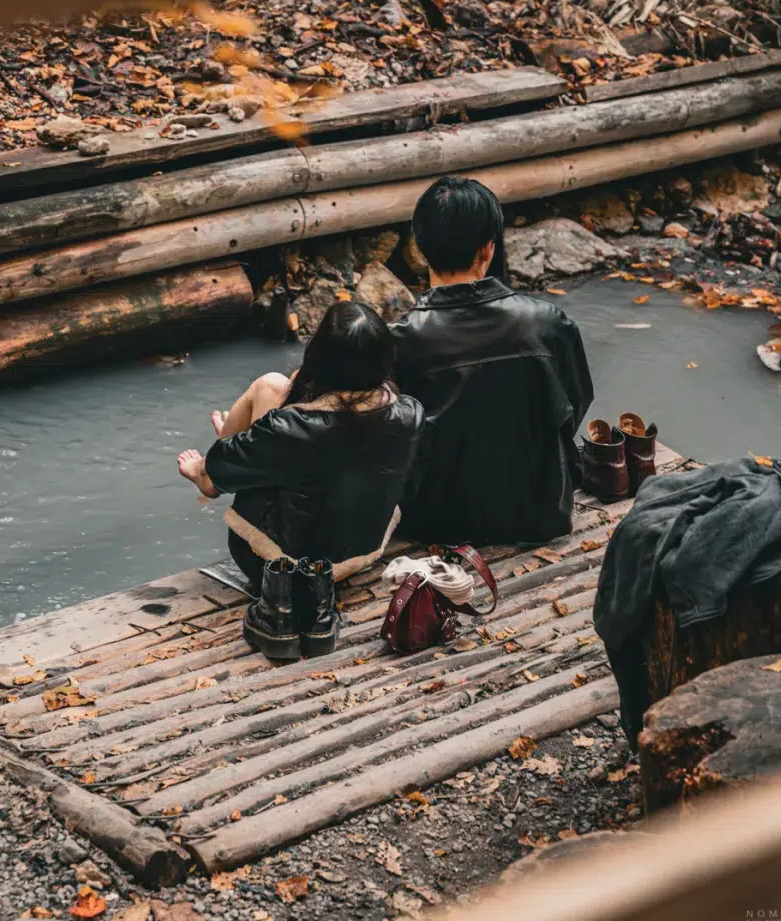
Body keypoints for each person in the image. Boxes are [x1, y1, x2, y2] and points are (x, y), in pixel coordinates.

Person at [177, 302, 425, 658]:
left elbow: (230, 466)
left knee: (266, 393)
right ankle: (241, 443)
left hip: (278, 564)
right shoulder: (409, 413)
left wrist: (214, 464)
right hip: (360, 551)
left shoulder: (288, 429)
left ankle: (224, 456)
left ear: (318, 355)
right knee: (277, 390)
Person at [391, 176, 593, 546]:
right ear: (488, 249)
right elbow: (576, 403)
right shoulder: (549, 322)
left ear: (419, 249)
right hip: (539, 513)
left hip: (434, 522)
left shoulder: (399, 339)